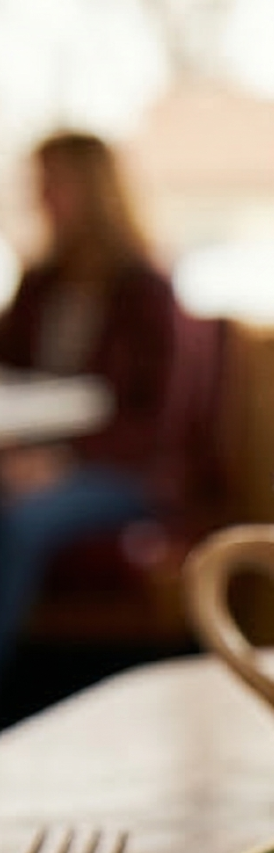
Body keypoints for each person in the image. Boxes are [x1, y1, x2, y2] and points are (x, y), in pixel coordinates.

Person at [0, 131, 183, 672]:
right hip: (31, 461)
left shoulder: (145, 291)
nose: (42, 199)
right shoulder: (38, 285)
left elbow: (156, 422)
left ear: (91, 190)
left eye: (53, 184)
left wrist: (65, 459)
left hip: (123, 469)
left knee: (20, 520)